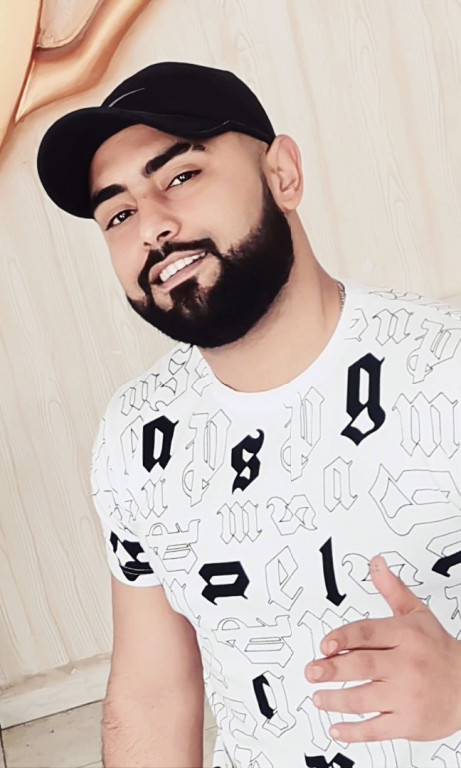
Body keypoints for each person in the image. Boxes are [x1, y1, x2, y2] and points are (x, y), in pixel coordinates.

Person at [37, 61, 461, 768]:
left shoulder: (445, 369)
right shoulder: (136, 434)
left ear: (282, 174)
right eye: (118, 214)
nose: (152, 226)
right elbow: (151, 695)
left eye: (180, 176)